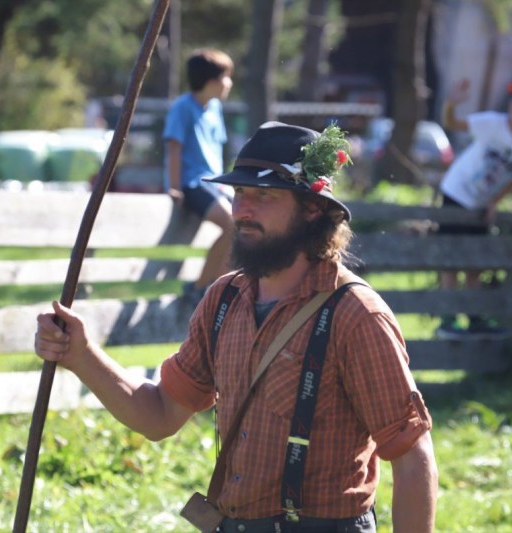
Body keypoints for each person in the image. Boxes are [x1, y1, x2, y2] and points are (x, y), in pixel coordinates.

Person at [35, 122, 438, 532]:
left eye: (263, 196)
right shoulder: (224, 300)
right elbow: (159, 415)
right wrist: (80, 355)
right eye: (239, 193)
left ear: (312, 209)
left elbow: (412, 457)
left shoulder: (355, 315)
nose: (242, 210)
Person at [435, 76, 512, 340]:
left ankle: (474, 317)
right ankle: (447, 320)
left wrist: (494, 202)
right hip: (456, 192)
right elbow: (451, 122)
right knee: (451, 258)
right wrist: (451, 103)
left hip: (480, 203)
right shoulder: (492, 123)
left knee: (476, 263)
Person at [164, 48, 236, 307]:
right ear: (211, 80)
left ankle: (216, 290)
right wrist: (174, 187)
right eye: (226, 77)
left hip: (215, 184)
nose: (230, 83)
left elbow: (216, 149)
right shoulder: (183, 107)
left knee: (245, 225)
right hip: (192, 183)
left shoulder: (215, 108)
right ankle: (199, 288)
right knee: (232, 225)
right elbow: (174, 147)